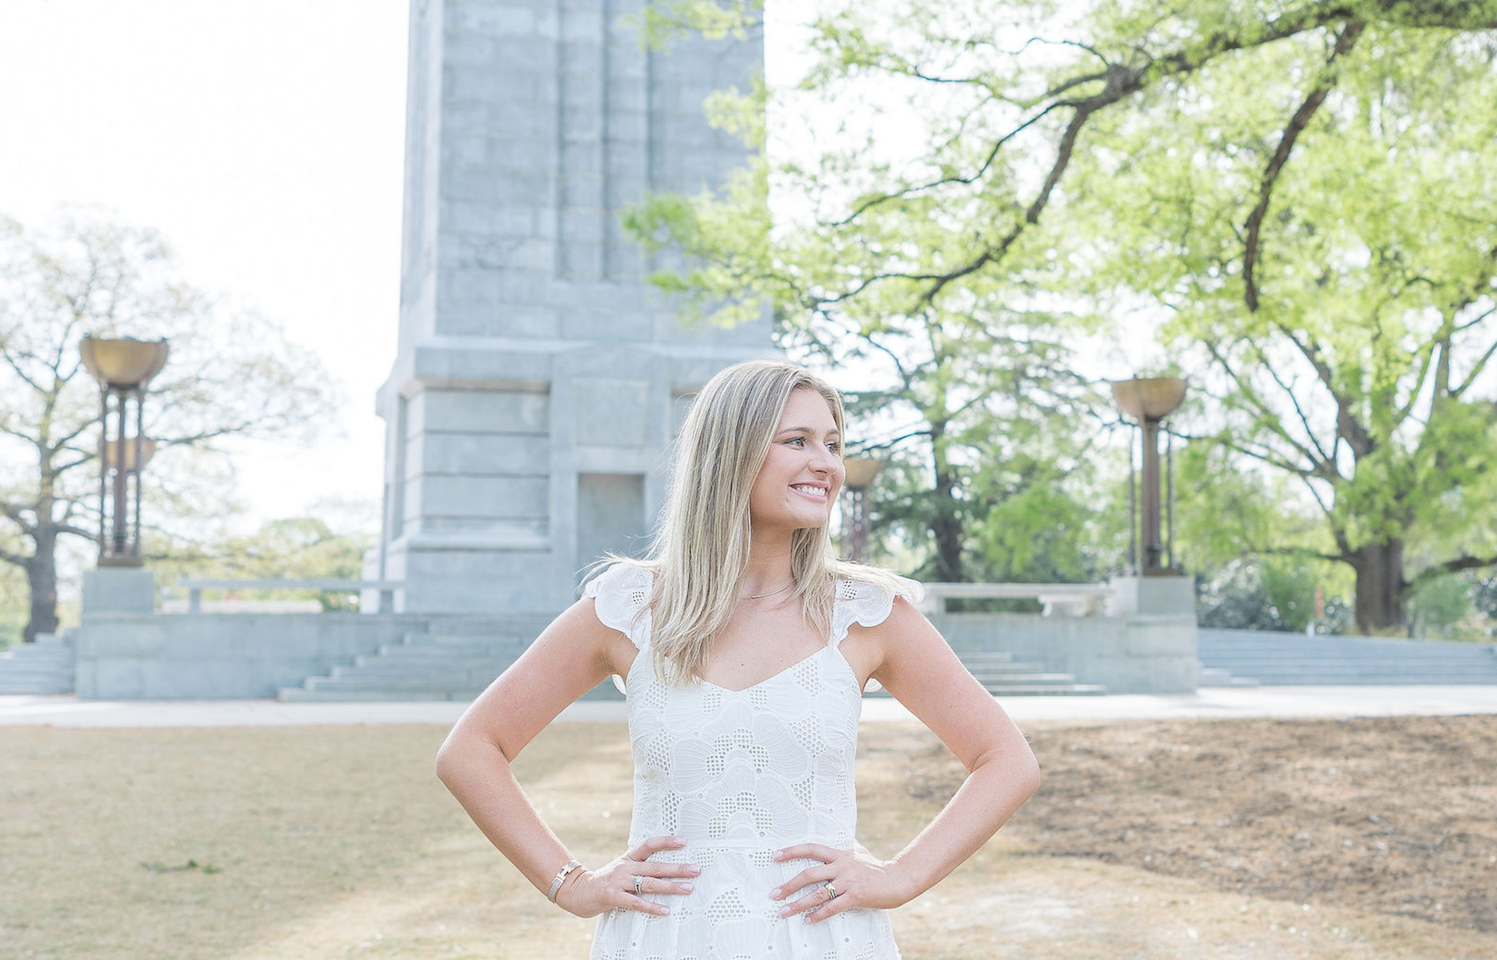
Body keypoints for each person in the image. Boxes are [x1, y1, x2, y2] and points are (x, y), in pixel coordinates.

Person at [434, 359, 1042, 958]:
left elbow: (1006, 760)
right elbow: (471, 751)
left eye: (833, 444)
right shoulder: (630, 608)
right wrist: (571, 883)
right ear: (732, 454)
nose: (826, 463)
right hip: (664, 938)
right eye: (797, 440)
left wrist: (902, 876)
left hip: (820, 938)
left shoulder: (865, 613)